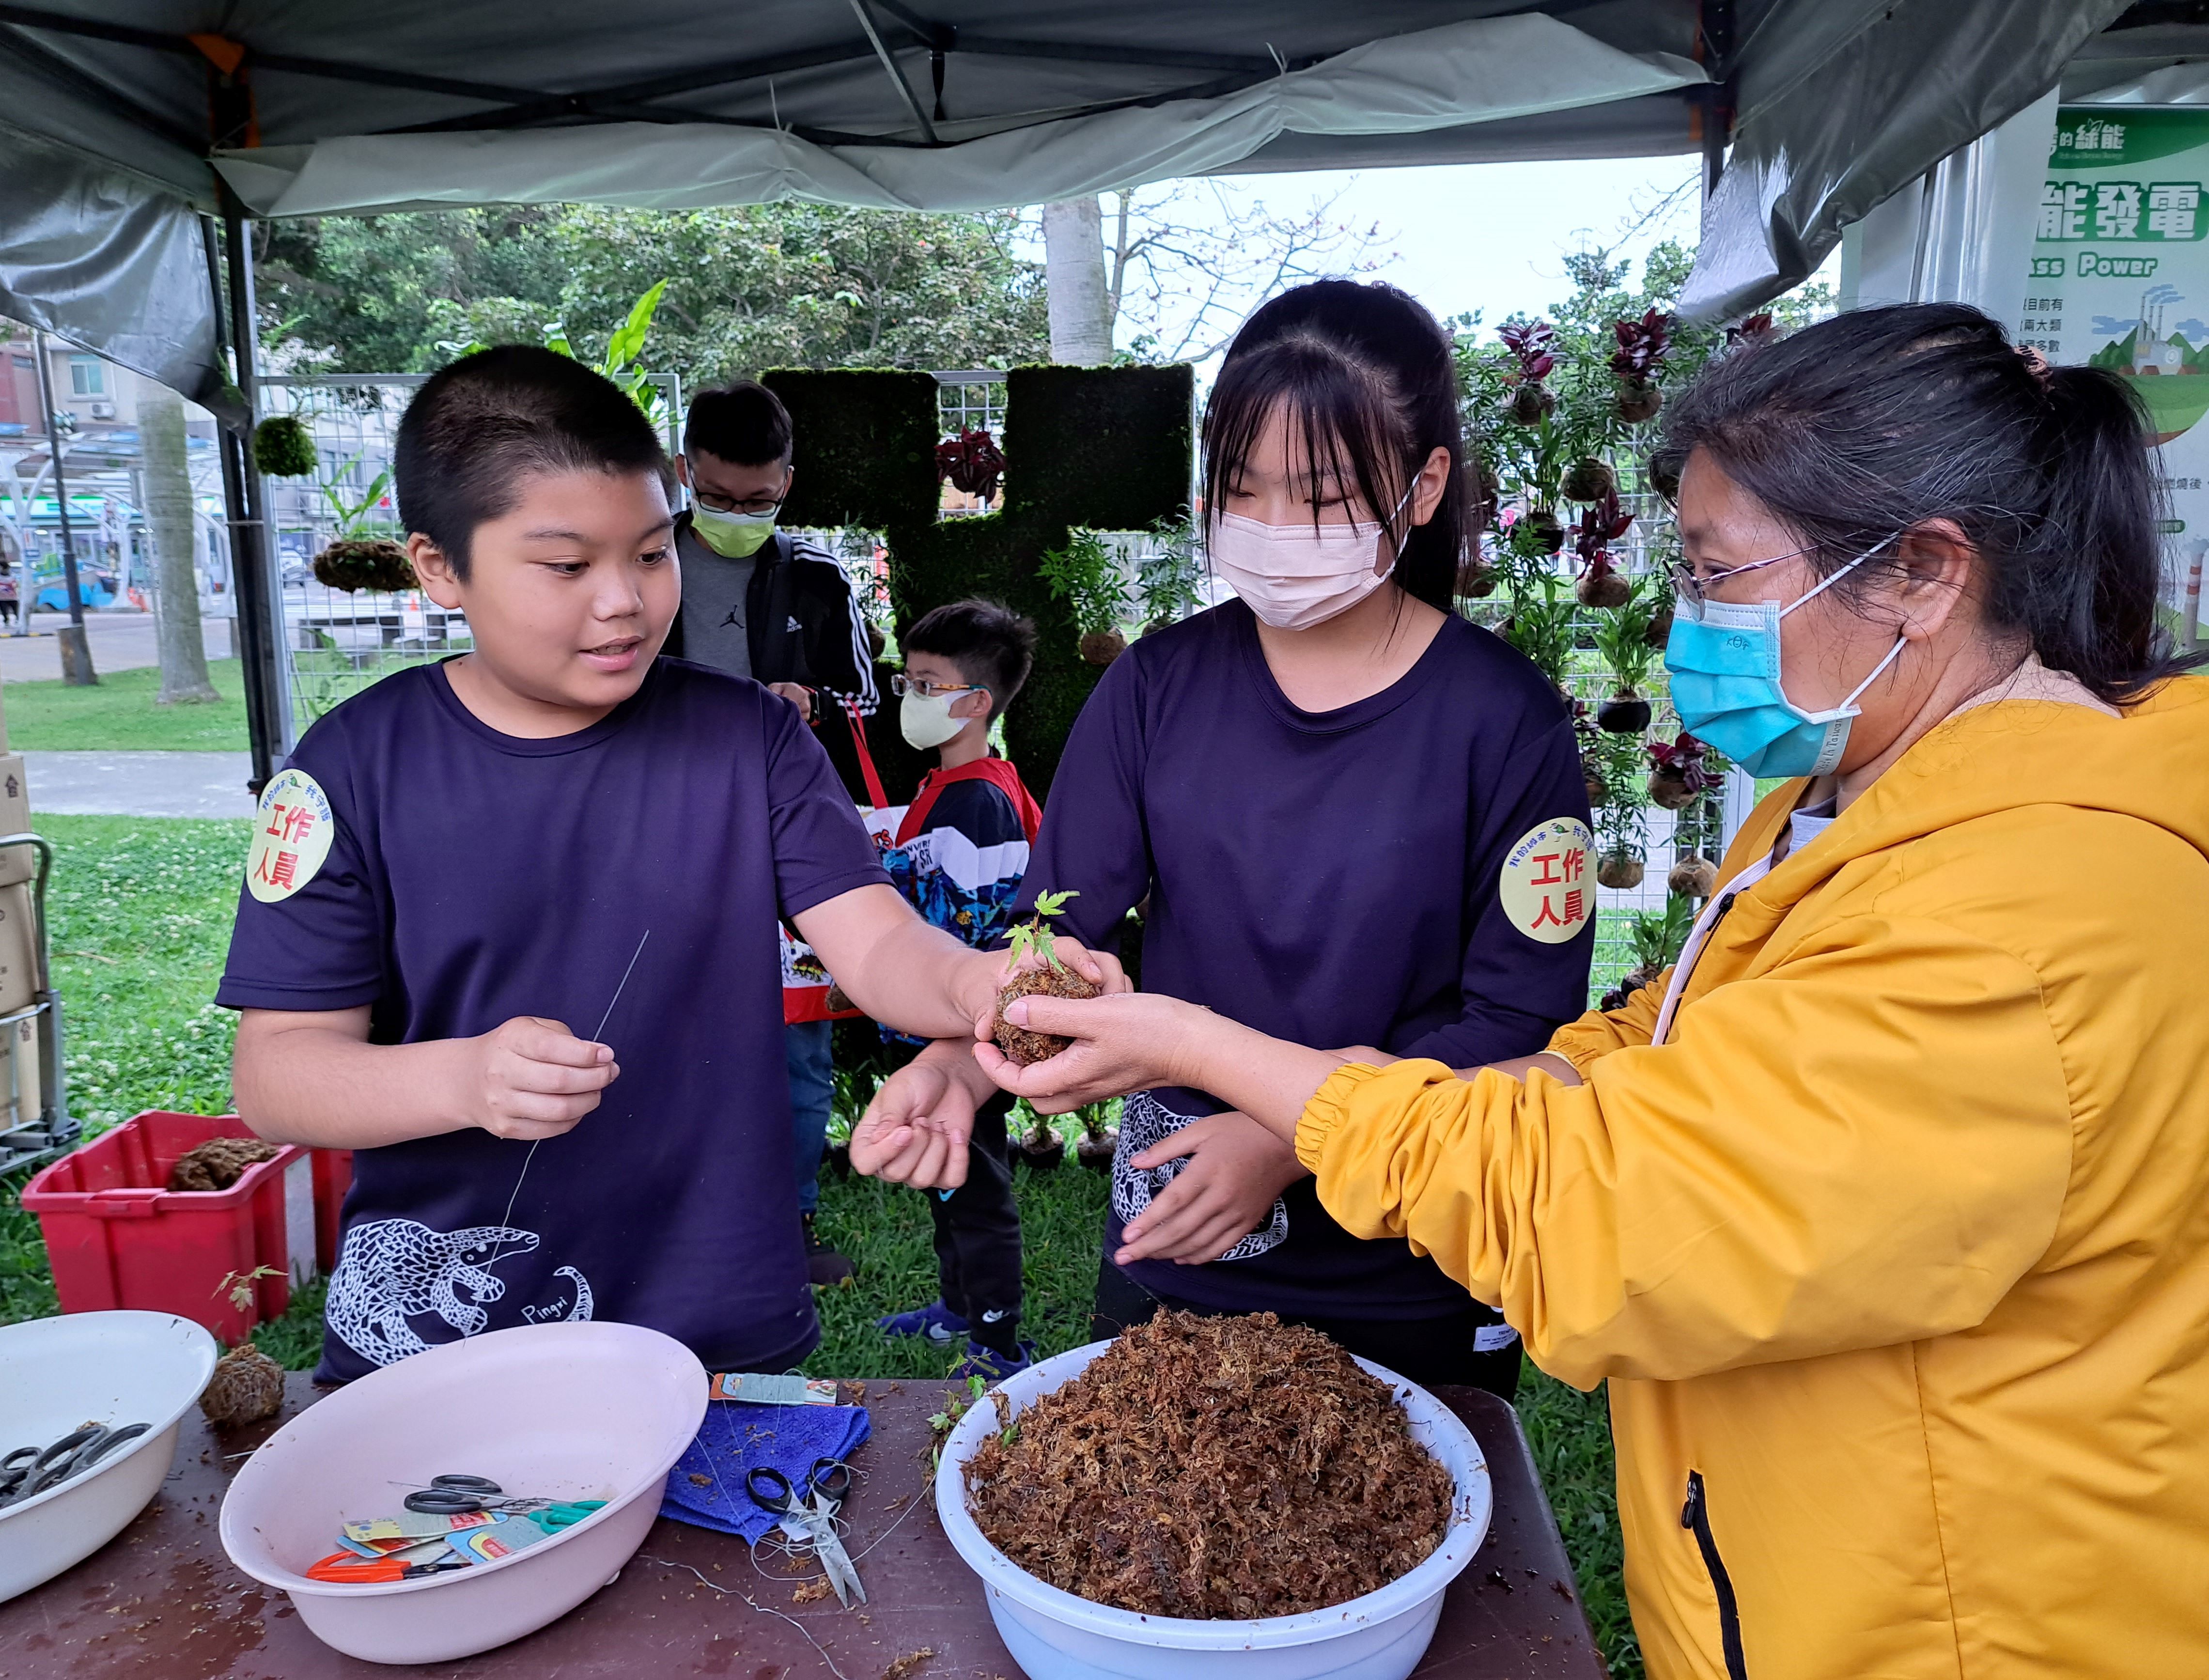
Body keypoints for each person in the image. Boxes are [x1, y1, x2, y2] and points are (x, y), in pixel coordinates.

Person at [957, 305, 2209, 1680]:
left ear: (1920, 571)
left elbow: (1619, 1218)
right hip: (1828, 1566)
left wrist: (1233, 1067)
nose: (1691, 620)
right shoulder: (1854, 812)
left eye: (1721, 574)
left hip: (1963, 1620)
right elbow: (1657, 1030)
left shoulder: (2018, 919)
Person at [217, 346, 1119, 1385]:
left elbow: (874, 943)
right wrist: (461, 1076)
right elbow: (275, 1075)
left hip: (716, 1310)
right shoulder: (351, 768)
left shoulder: (750, 740)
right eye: (567, 566)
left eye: (651, 554)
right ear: (438, 567)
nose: (625, 603)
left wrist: (979, 985)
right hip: (444, 1329)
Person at [855, 280, 1594, 1395]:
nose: (1272, 529)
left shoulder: (1506, 722)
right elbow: (1059, 933)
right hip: (1178, 1223)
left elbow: (1517, 1015)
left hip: (1409, 1244)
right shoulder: (1156, 687)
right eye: (1240, 488)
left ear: (1424, 485)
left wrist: (1294, 1137)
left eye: (1321, 495)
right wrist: (963, 1061)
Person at [661, 379, 883, 1286]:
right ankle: (674, 1220)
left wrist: (811, 703)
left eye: (759, 500)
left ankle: (786, 1224)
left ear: (788, 481)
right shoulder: (640, 566)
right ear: (683, 473)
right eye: (717, 497)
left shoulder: (818, 576)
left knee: (796, 1044)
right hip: (664, 839)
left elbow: (871, 695)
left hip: (788, 848)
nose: (738, 515)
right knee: (663, 1028)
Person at [870, 599, 1042, 1379]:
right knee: (947, 1179)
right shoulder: (946, 788)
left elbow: (983, 935)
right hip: (932, 1036)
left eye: (928, 682)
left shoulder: (980, 800)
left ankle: (999, 1343)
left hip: (967, 1041)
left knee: (975, 1189)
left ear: (977, 702)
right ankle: (956, 1310)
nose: (910, 695)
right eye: (909, 679)